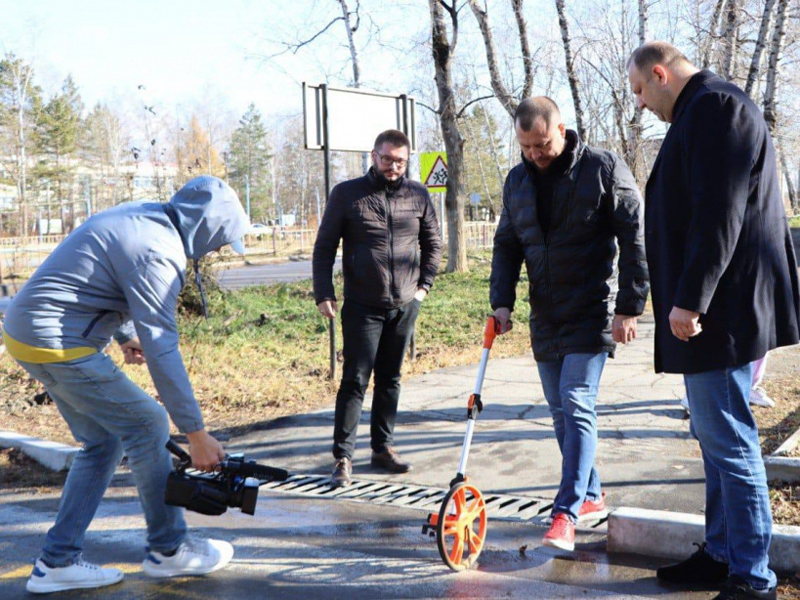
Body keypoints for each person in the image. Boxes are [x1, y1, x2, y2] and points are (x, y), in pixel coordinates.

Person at [3, 176, 249, 594]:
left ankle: (58, 561)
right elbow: (163, 348)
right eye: (221, 239)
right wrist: (196, 433)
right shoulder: (159, 251)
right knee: (148, 423)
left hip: (28, 333)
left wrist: (123, 333)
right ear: (205, 228)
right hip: (57, 341)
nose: (220, 248)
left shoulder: (144, 216)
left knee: (103, 441)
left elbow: (98, 277)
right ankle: (169, 550)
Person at [627, 41, 800, 600]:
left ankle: (753, 577)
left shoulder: (716, 107)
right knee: (715, 436)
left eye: (640, 91)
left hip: (718, 312)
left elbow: (719, 211)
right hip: (717, 309)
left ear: (659, 73)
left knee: (729, 439)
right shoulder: (706, 108)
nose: (642, 104)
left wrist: (691, 299)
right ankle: (723, 552)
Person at [490, 97, 649, 551]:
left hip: (592, 309)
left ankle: (566, 514)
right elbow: (506, 246)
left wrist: (630, 305)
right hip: (546, 315)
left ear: (562, 129)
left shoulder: (602, 167)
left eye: (542, 144)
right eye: (526, 147)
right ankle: (592, 494)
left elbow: (634, 236)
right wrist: (502, 302)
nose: (535, 154)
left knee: (576, 403)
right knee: (560, 413)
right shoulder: (517, 180)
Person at [313, 129, 443, 488]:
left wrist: (423, 288)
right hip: (362, 306)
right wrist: (323, 292)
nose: (393, 166)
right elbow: (324, 247)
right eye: (387, 159)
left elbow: (433, 242)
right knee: (355, 380)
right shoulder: (348, 194)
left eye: (400, 160)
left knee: (391, 379)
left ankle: (382, 449)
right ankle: (343, 457)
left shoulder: (417, 194)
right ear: (374, 156)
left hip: (404, 305)